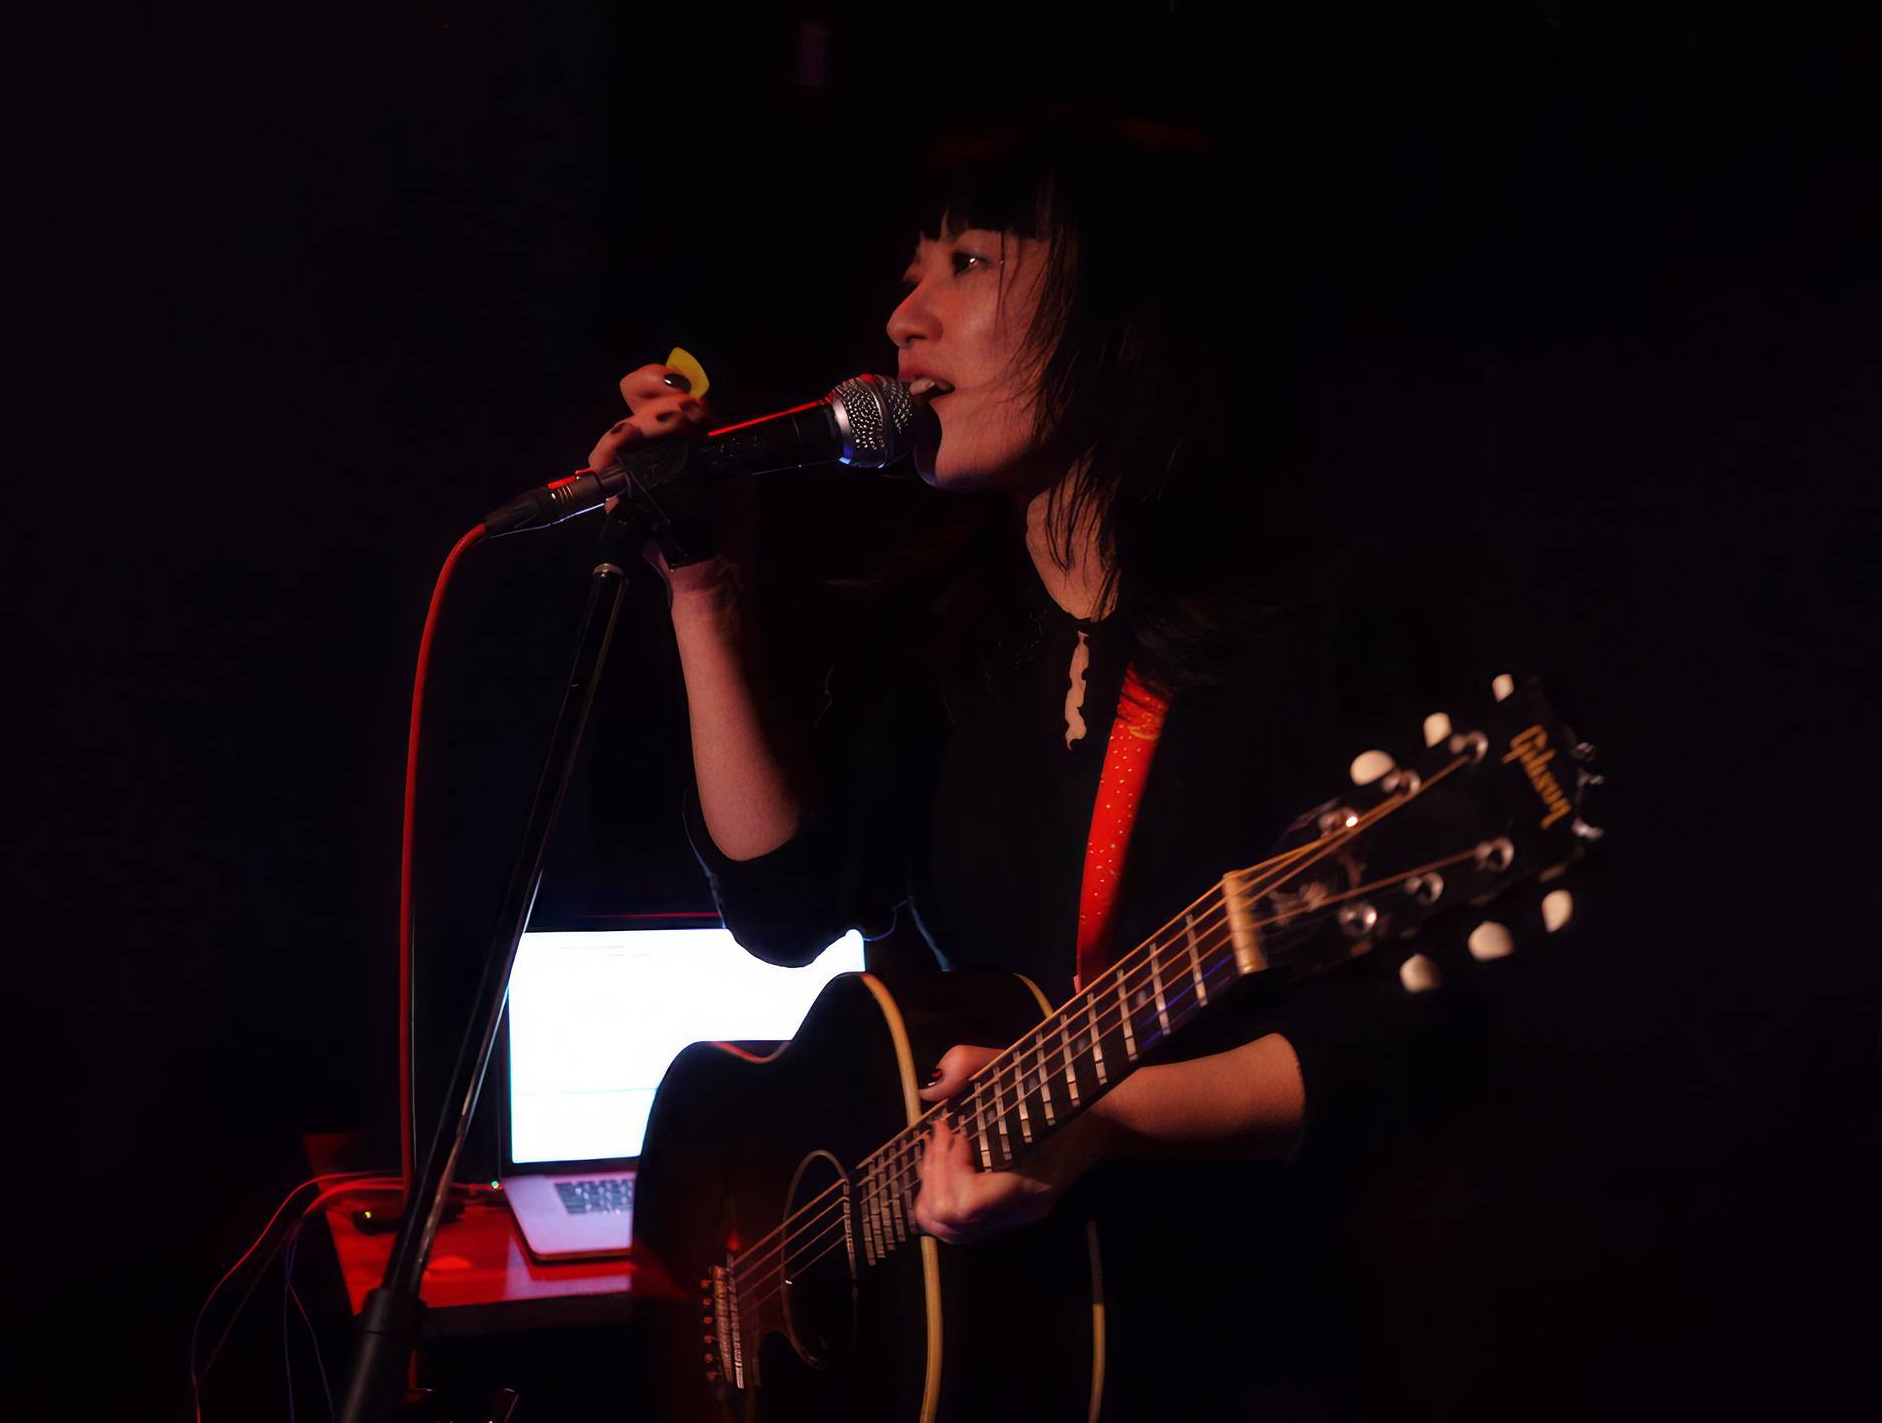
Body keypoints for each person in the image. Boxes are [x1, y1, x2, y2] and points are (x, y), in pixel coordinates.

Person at [590, 110, 1482, 1419]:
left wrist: (1115, 1115)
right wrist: (700, 584)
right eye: (912, 271)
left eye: (967, 264)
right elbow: (784, 904)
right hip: (965, 1354)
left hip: (1228, 1353)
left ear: (1119, 314)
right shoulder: (940, 639)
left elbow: (1396, 1041)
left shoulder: (1311, 620)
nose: (902, 319)